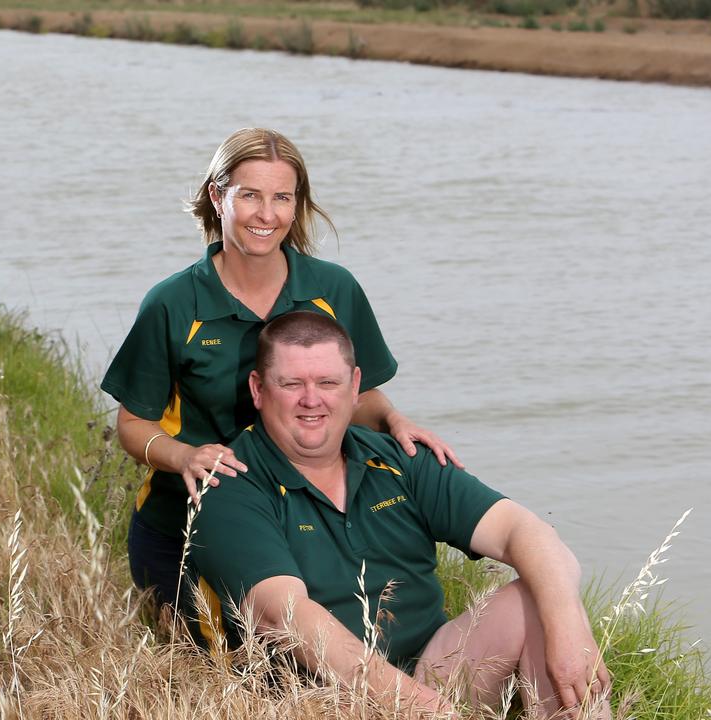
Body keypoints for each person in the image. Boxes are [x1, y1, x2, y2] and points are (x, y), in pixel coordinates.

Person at [186, 311, 611, 718]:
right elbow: (283, 614)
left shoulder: (397, 458)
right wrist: (421, 708)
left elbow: (524, 530)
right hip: (323, 700)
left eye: (328, 382)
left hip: (433, 676)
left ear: (355, 387)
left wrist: (571, 633)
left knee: (537, 596)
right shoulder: (229, 483)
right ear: (259, 389)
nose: (311, 399)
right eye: (292, 383)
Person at [100, 128, 460, 606]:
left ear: (297, 205)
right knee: (215, 672)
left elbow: (356, 396)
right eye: (249, 195)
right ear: (217, 196)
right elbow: (131, 424)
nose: (266, 215)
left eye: (282, 198)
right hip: (184, 529)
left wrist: (394, 421)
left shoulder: (334, 289)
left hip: (305, 530)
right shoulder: (172, 304)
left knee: (314, 663)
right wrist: (184, 457)